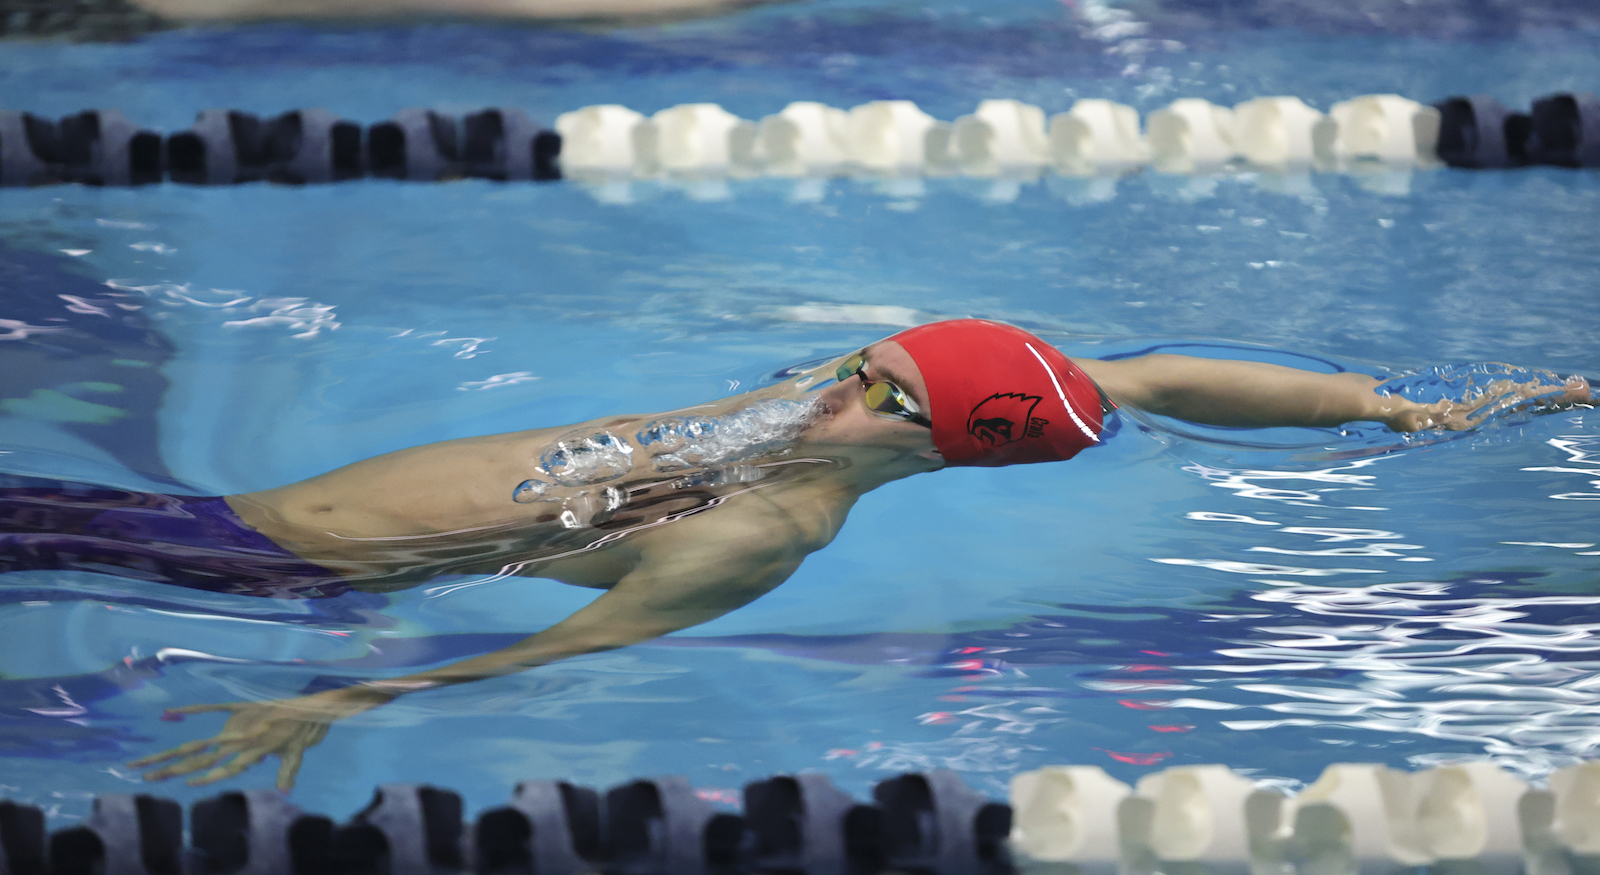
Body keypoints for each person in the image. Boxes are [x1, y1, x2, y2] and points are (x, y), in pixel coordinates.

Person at [1, 319, 1589, 790]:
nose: (834, 380)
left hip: (255, 570)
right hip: (235, 507)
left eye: (877, 389)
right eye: (860, 359)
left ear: (928, 445)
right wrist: (1398, 409)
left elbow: (566, 651)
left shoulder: (762, 530)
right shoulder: (819, 411)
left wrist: (333, 709)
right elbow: (1149, 383)